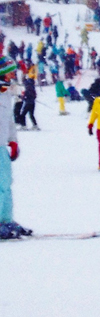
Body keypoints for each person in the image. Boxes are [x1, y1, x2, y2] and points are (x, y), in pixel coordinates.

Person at [0, 58, 31, 239]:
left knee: (5, 183)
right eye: (11, 71)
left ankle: (6, 219)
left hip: (1, 146)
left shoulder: (6, 93)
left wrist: (13, 141)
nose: (14, 74)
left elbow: (9, 120)